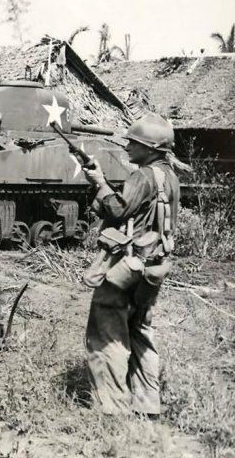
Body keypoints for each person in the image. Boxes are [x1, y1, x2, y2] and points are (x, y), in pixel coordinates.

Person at [81, 113, 180, 417]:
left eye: (133, 143)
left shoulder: (143, 175)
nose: (127, 146)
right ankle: (147, 405)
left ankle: (112, 408)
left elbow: (117, 210)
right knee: (140, 330)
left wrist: (98, 182)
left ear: (150, 148)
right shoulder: (170, 177)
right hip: (155, 267)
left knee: (106, 329)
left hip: (127, 267)